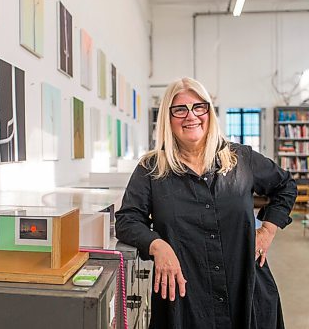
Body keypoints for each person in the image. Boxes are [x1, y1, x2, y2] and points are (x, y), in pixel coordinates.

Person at [115, 77, 297, 329]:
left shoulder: (241, 159)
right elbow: (127, 220)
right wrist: (156, 245)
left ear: (209, 111)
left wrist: (267, 230)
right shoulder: (151, 169)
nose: (191, 116)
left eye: (198, 107)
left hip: (247, 295)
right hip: (187, 302)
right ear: (168, 119)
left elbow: (285, 186)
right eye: (180, 109)